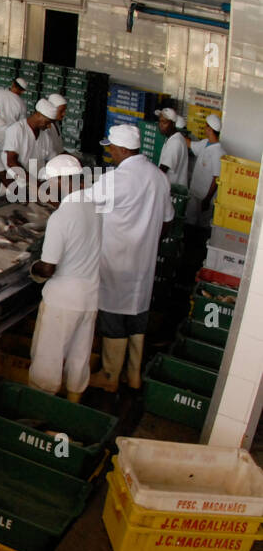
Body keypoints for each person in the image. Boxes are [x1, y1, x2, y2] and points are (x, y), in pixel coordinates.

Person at [94, 123, 175, 393]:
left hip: (115, 260)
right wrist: (148, 240)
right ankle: (134, 375)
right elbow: (168, 220)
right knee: (138, 315)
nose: (110, 154)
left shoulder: (114, 179)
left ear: (120, 149)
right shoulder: (158, 177)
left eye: (112, 150)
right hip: (144, 263)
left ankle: (110, 376)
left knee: (113, 317)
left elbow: (86, 211)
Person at [28, 155, 101, 402]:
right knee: (78, 358)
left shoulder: (61, 217)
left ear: (60, 180)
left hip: (62, 301)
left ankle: (41, 412)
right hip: (89, 298)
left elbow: (48, 268)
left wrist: (32, 266)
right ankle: (71, 409)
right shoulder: (95, 207)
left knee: (48, 360)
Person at [1, 99, 58, 185]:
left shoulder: (45, 136)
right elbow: (11, 161)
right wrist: (33, 183)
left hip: (35, 183)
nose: (49, 126)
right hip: (14, 183)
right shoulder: (16, 130)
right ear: (39, 114)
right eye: (48, 122)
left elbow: (53, 159)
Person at [188, 113, 224, 228]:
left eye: (206, 126)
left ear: (210, 129)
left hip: (205, 198)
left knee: (203, 226)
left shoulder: (219, 153)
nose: (204, 128)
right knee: (190, 222)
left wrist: (207, 199)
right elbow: (189, 144)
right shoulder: (204, 143)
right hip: (195, 193)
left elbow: (216, 178)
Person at [156, 107, 189, 188]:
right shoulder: (171, 138)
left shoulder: (175, 142)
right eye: (160, 121)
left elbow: (163, 168)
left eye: (164, 122)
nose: (160, 125)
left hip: (173, 190)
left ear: (173, 124)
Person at [41, 93, 67, 158]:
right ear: (52, 109)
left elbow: (59, 150)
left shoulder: (56, 124)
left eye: (64, 110)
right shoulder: (45, 127)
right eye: (61, 111)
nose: (64, 114)